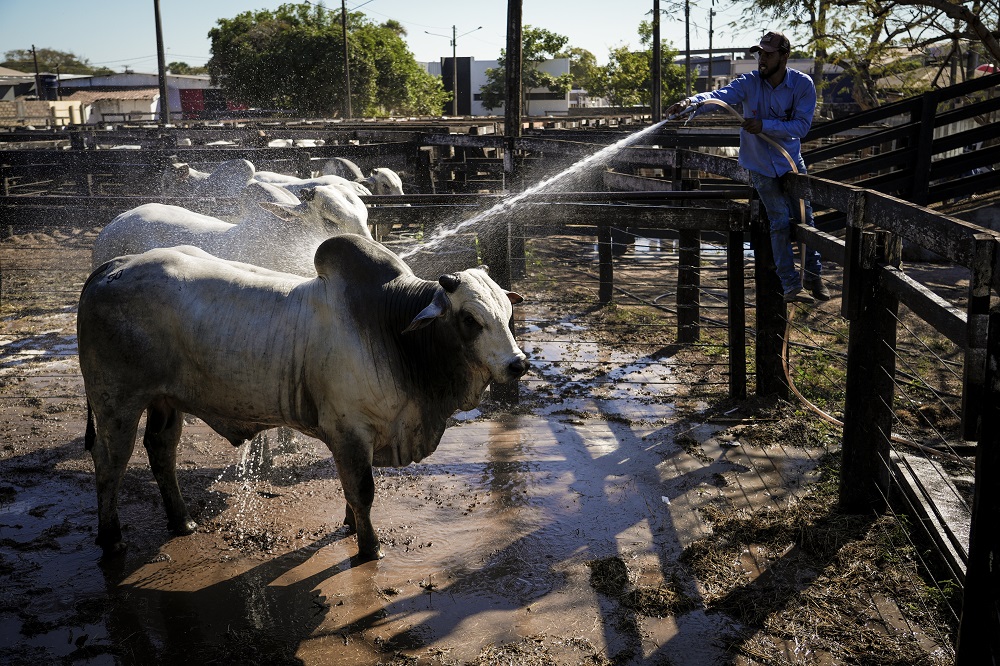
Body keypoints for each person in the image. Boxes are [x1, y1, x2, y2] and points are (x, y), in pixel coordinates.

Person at [666, 30, 829, 304]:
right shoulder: (749, 82)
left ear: (784, 56)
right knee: (779, 219)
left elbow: (801, 127)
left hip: (790, 160)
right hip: (760, 164)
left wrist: (765, 125)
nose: (762, 59)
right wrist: (690, 103)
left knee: (806, 217)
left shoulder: (802, 85)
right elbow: (719, 96)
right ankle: (791, 285)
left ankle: (814, 275)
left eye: (768, 54)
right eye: (760, 54)